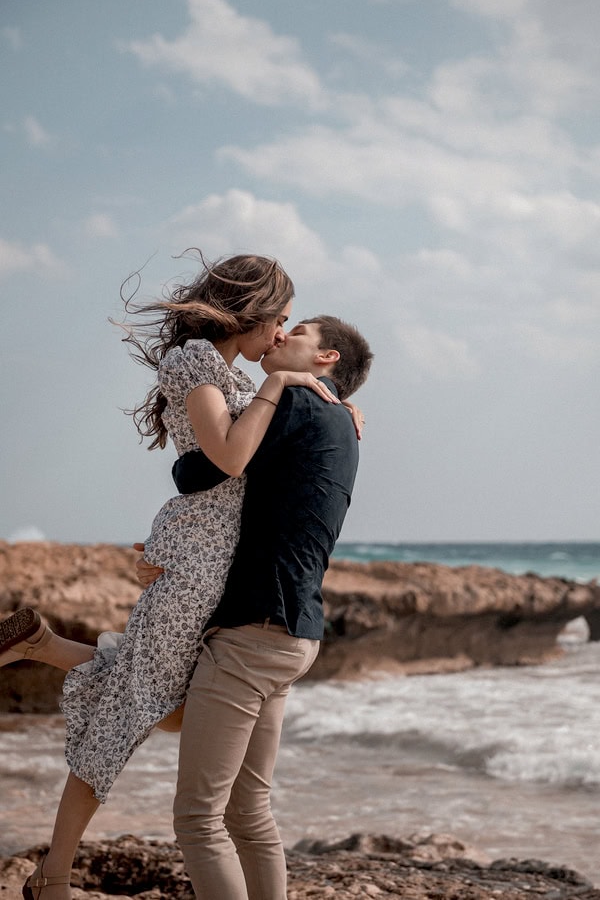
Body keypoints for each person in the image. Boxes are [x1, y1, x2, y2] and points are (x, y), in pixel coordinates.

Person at [0, 252, 343, 900]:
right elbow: (231, 458)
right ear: (255, 307)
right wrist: (282, 385)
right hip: (197, 569)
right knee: (147, 710)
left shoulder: (232, 374)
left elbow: (242, 455)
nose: (281, 336)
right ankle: (54, 876)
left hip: (209, 562)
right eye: (282, 320)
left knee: (150, 707)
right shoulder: (194, 362)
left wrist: (336, 409)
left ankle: (41, 648)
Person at [137, 314, 373, 899]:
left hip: (253, 632)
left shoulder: (293, 407)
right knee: (248, 812)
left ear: (327, 360)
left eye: (298, 333)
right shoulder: (339, 420)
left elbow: (201, 469)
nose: (279, 336)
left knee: (197, 817)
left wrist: (261, 397)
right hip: (296, 634)